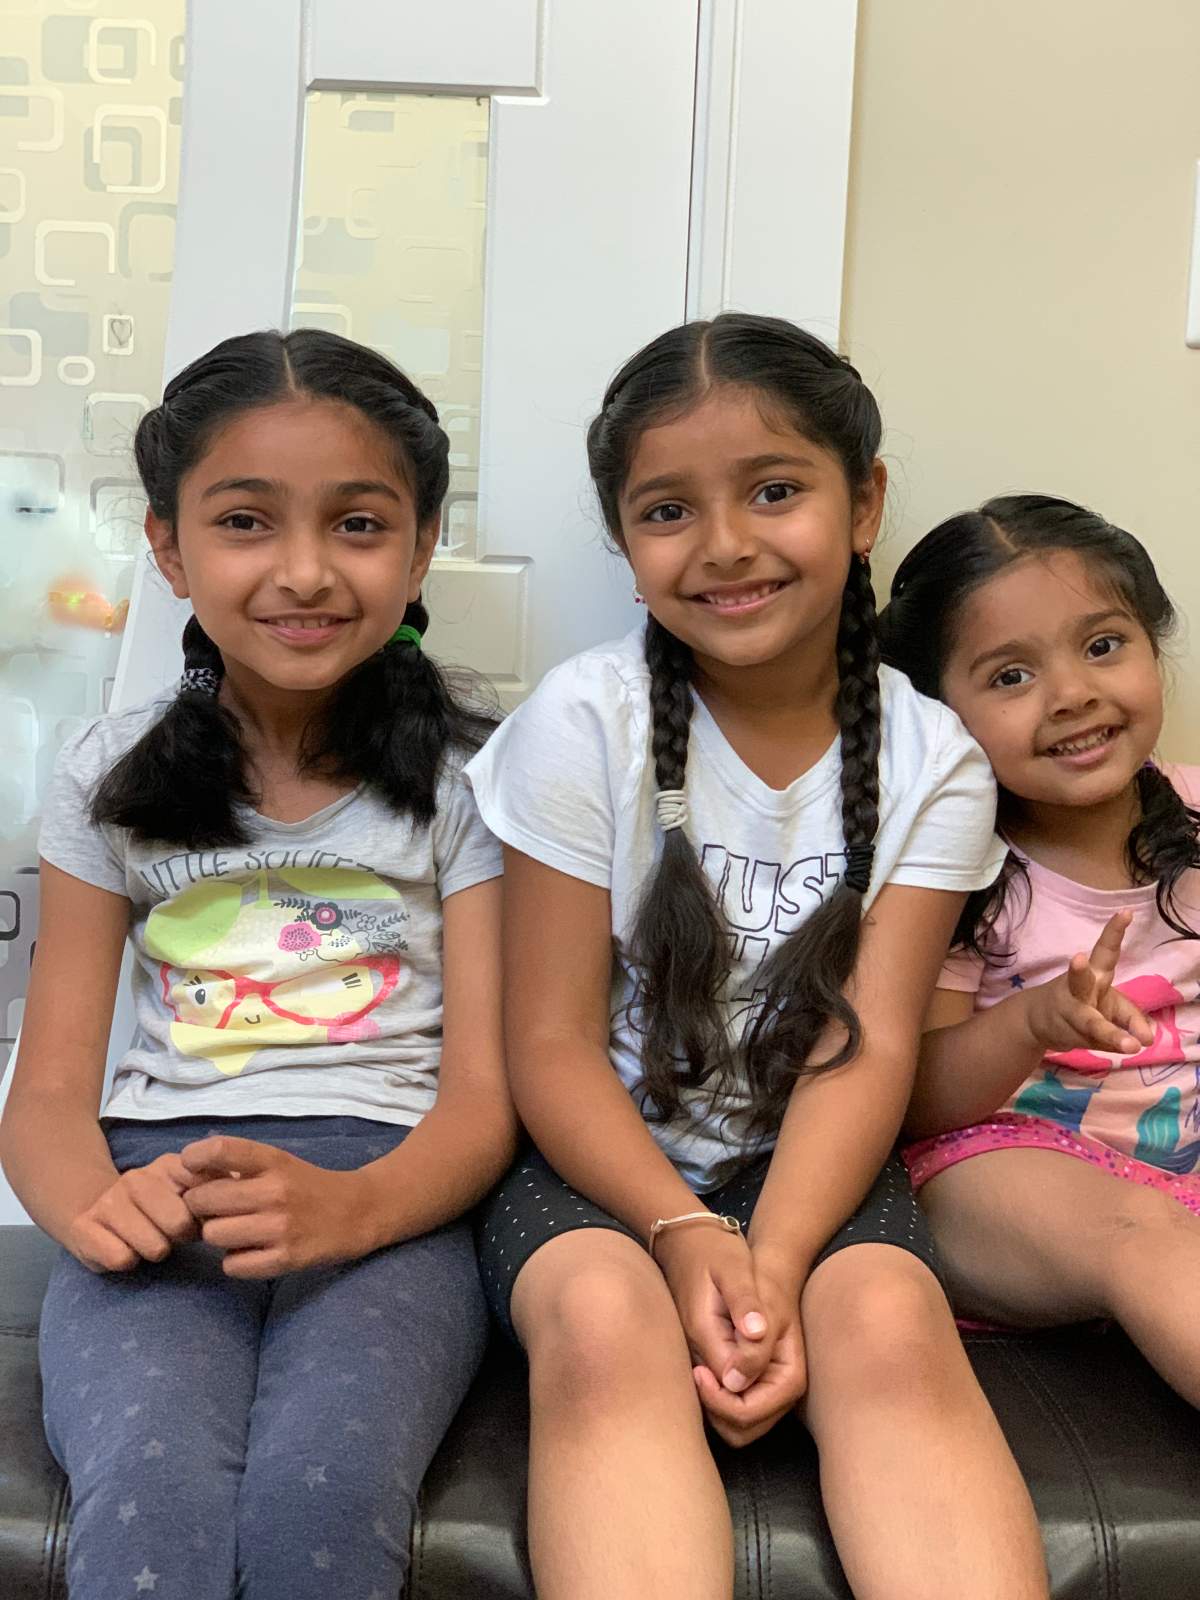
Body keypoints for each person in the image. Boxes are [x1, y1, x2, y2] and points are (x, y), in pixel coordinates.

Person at [464, 314, 1047, 1600]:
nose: (726, 544)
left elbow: (872, 1041)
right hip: (596, 1163)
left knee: (888, 1325)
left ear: (864, 503)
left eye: (775, 491)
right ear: (626, 548)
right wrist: (678, 1231)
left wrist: (772, 1264)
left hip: (811, 1165)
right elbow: (550, 1044)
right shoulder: (583, 722)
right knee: (607, 1321)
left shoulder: (933, 757)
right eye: (669, 510)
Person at [0, 329, 514, 1600]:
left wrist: (359, 1208)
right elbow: (52, 1089)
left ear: (422, 542)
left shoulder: (476, 783)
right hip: (155, 1194)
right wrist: (90, 1209)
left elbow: (488, 1099)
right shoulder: (109, 782)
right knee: (152, 1495)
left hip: (394, 1205)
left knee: (323, 1499)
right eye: (244, 522)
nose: (303, 572)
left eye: (356, 524)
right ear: (170, 550)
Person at [879, 493, 1200, 1404]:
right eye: (1010, 676)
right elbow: (916, 1099)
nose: (1073, 695)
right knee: (1136, 1233)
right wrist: (1032, 1021)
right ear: (942, 711)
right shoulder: (955, 865)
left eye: (1103, 646)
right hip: (1000, 1182)